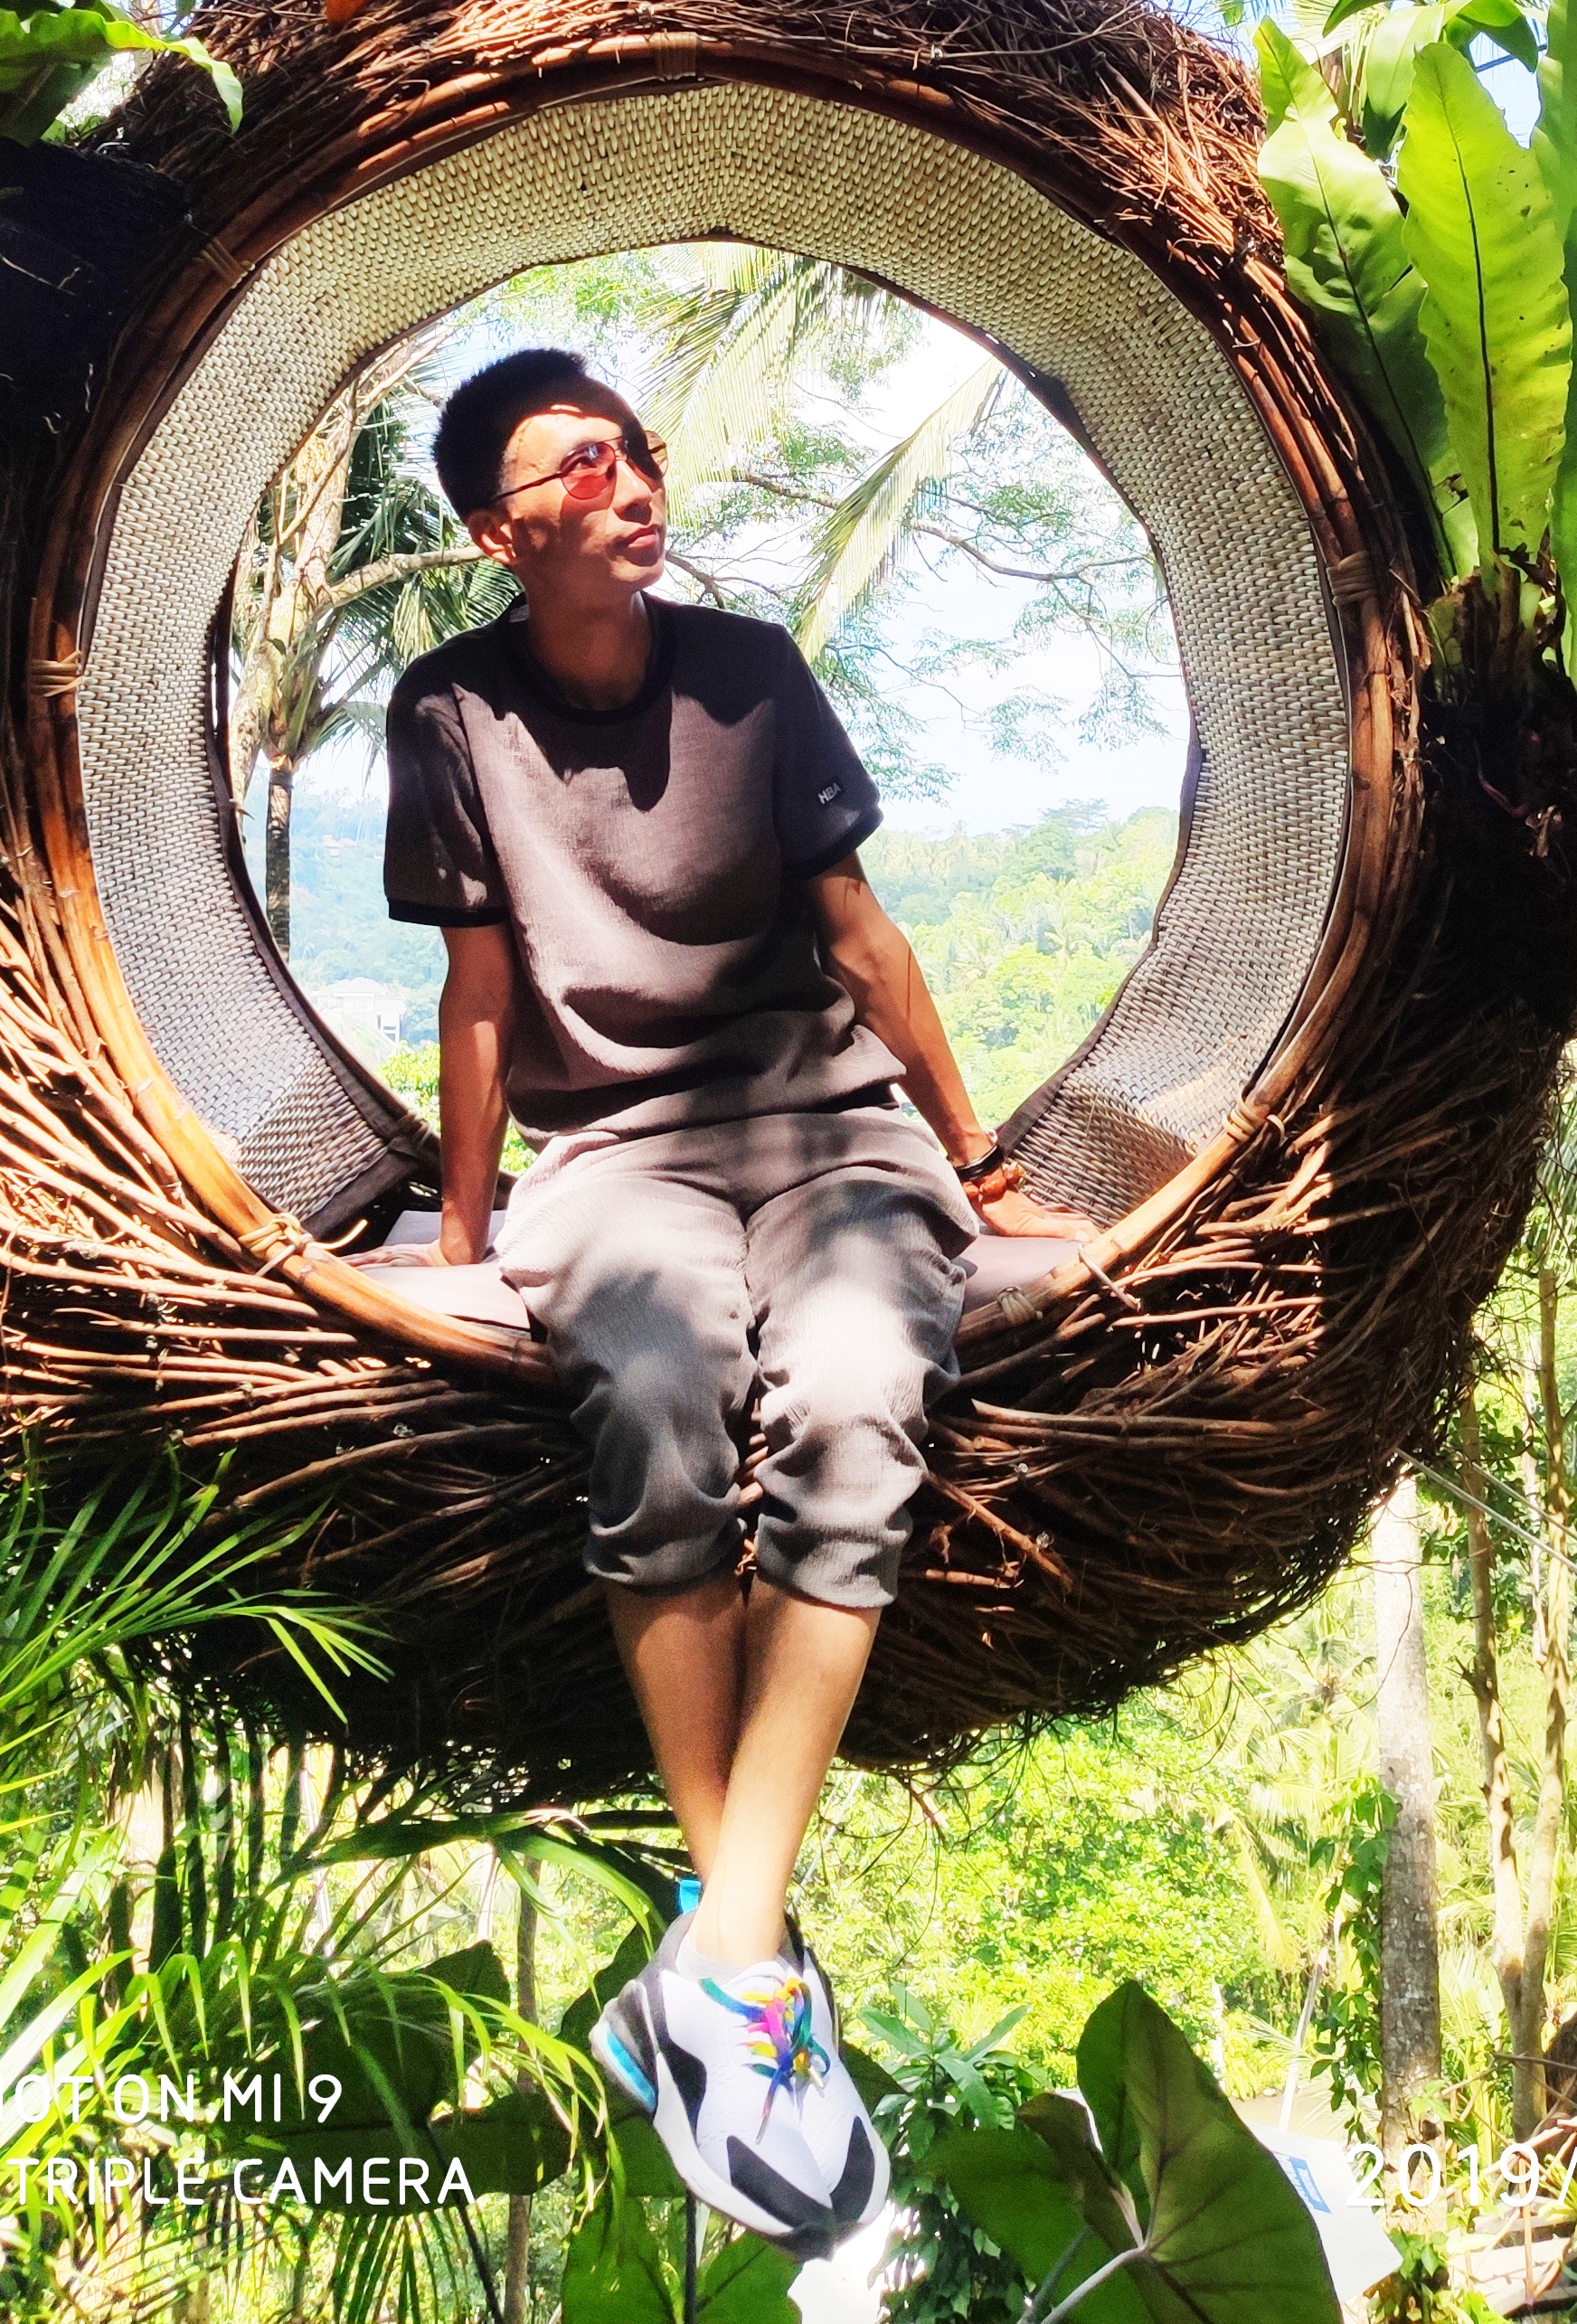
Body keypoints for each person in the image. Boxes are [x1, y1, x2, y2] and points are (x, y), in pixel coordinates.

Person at [380, 345, 1091, 2248]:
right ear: (498, 528)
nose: (630, 477)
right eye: (580, 459)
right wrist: (461, 1238)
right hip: (610, 1154)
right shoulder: (449, 708)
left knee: (863, 1394)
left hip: (829, 1123)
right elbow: (474, 992)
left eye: (638, 447)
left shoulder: (753, 673)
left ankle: (724, 1958)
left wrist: (977, 1150)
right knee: (656, 1382)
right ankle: (747, 1967)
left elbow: (860, 935)